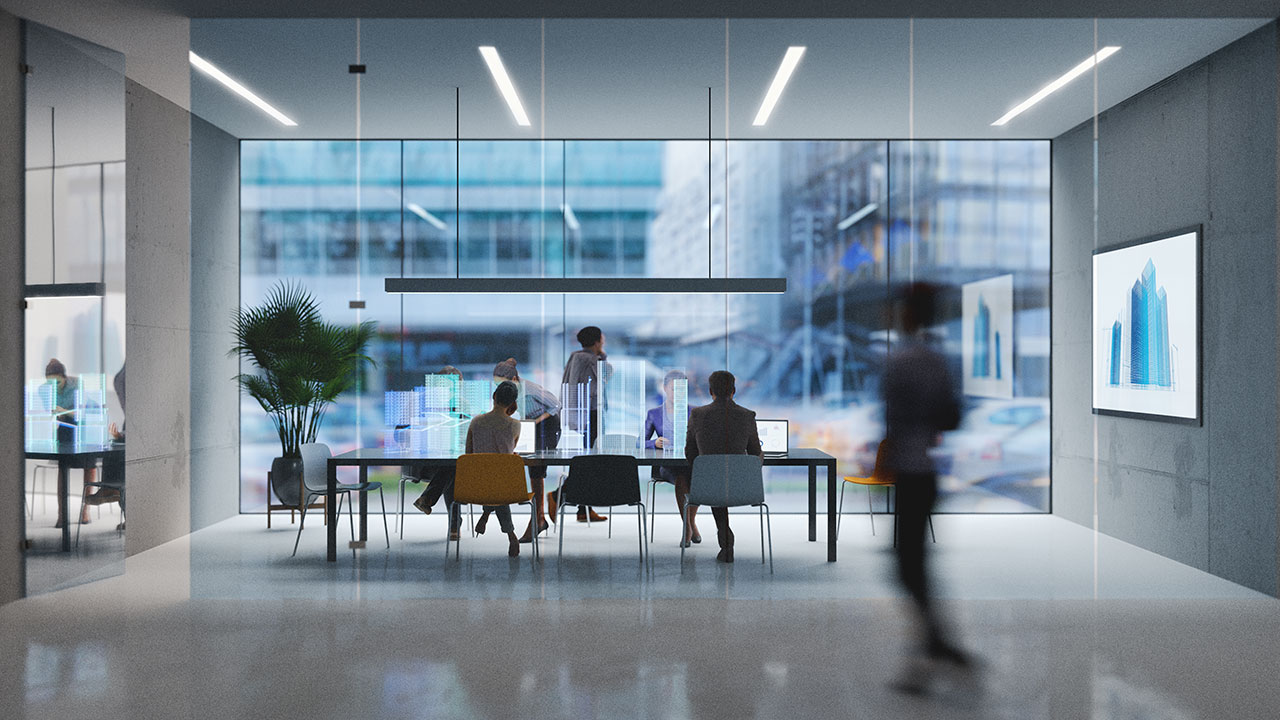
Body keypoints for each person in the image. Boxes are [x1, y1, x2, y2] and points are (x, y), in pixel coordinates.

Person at [880, 282, 971, 692]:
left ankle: (936, 649)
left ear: (909, 314)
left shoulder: (903, 362)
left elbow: (894, 420)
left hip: (910, 472)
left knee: (907, 567)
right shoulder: (936, 361)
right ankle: (936, 646)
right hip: (925, 471)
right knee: (912, 566)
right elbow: (952, 416)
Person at [684, 370, 761, 563]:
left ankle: (725, 537)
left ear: (710, 391)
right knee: (722, 478)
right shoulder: (747, 416)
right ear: (734, 391)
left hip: (707, 485)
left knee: (712, 479)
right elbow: (754, 454)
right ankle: (726, 538)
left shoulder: (698, 415)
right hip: (741, 486)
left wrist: (706, 465)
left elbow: (690, 454)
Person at [492, 358, 559, 542]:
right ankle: (539, 518)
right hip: (530, 425)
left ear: (514, 379)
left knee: (537, 469)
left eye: (502, 384)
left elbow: (555, 405)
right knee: (530, 467)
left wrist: (535, 422)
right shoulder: (513, 392)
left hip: (547, 425)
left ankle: (537, 519)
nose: (499, 388)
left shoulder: (530, 389)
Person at [462, 380, 524, 557]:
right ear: (513, 403)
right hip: (503, 486)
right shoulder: (515, 425)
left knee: (491, 479)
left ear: (494, 396)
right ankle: (511, 535)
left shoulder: (476, 422)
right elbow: (509, 453)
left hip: (477, 483)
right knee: (498, 482)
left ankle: (486, 515)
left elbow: (468, 454)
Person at [557, 326, 609, 523]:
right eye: (601, 338)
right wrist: (602, 356)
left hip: (585, 414)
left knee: (588, 460)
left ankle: (583, 509)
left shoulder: (576, 357)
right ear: (597, 341)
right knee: (589, 462)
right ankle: (558, 496)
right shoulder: (588, 359)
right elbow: (604, 376)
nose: (603, 341)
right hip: (591, 414)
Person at [644, 370, 699, 546]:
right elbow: (640, 442)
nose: (678, 394)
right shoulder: (654, 413)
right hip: (667, 465)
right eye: (674, 389)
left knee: (695, 475)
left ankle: (690, 524)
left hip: (690, 461)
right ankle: (688, 528)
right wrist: (654, 443)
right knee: (683, 477)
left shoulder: (695, 412)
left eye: (682, 389)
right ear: (665, 388)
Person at [411, 366, 465, 539]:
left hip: (451, 460)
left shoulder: (463, 404)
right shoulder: (422, 403)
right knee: (451, 469)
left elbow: (468, 434)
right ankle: (454, 524)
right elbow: (401, 433)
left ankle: (428, 499)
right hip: (426, 463)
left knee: (452, 467)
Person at [45, 358, 94, 528]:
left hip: (84, 427)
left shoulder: (77, 385)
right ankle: (61, 515)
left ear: (64, 377)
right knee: (62, 467)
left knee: (89, 466)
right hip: (65, 428)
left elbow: (82, 414)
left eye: (57, 381)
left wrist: (63, 411)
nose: (54, 386)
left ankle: (85, 510)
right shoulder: (45, 390)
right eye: (49, 382)